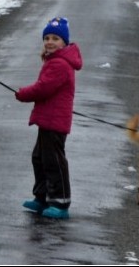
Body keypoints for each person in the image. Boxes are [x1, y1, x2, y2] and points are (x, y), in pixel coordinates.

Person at [15, 17, 83, 220]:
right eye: (46, 38)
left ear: (64, 42)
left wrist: (23, 94)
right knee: (39, 158)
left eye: (55, 38)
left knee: (54, 161)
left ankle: (60, 201)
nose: (50, 42)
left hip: (55, 122)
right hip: (48, 119)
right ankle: (42, 197)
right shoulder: (53, 61)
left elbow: (43, 88)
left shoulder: (60, 64)